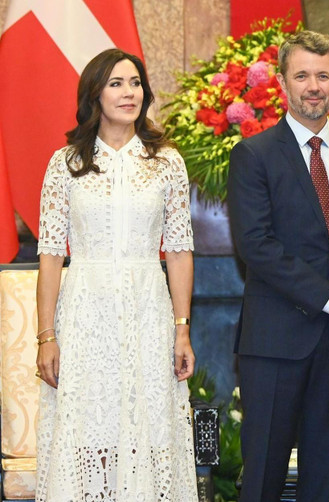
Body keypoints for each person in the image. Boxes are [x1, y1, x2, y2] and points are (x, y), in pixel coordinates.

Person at [226, 30, 329, 501]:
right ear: (282, 82)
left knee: (322, 478)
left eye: (322, 75)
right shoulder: (253, 154)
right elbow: (256, 246)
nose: (313, 86)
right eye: (302, 75)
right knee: (263, 477)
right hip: (275, 340)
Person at [35, 48, 198, 501]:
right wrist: (46, 336)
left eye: (135, 83)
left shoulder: (166, 161)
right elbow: (50, 254)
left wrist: (181, 330)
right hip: (86, 313)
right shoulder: (65, 163)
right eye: (116, 83)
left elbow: (180, 251)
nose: (129, 93)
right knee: (89, 428)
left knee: (149, 428)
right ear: (95, 94)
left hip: (149, 311)